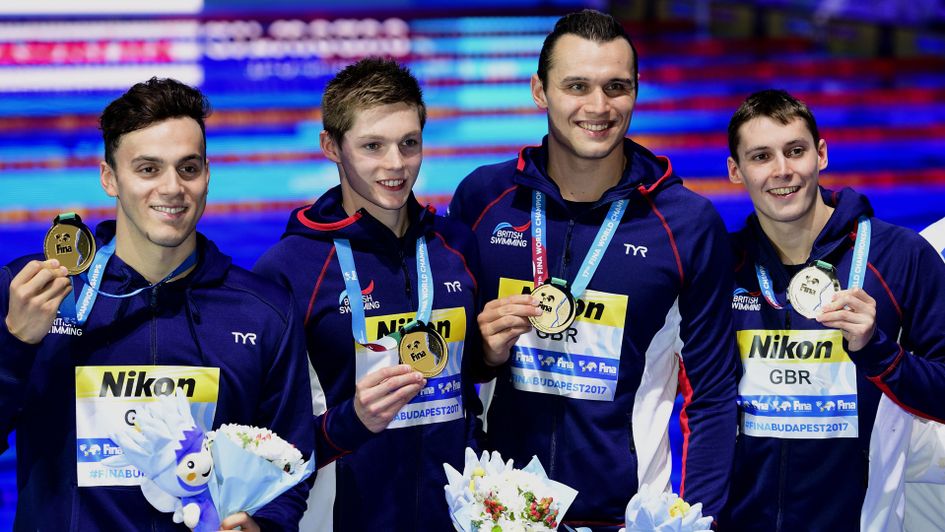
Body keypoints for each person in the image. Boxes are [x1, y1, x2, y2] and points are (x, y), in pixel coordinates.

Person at [448, 9, 737, 529]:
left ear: (636, 91)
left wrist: (696, 520)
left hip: (626, 516)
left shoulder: (686, 224)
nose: (598, 107)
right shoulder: (483, 200)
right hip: (492, 512)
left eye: (616, 87)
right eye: (577, 86)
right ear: (540, 90)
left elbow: (712, 395)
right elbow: (446, 366)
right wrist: (481, 356)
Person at [0, 77, 315, 531]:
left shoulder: (263, 311)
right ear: (109, 177)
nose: (172, 188)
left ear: (207, 174)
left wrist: (264, 525)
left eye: (187, 168)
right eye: (148, 169)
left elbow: (292, 458)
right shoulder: (33, 290)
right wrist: (15, 345)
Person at [254, 57, 482, 531]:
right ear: (331, 146)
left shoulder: (454, 246)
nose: (395, 164)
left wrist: (492, 355)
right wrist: (352, 419)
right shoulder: (291, 270)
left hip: (459, 515)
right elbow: (264, 440)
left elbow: (468, 381)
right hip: (346, 515)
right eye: (372, 146)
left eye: (409, 143)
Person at [722, 89, 945, 531]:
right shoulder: (722, 266)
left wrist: (878, 350)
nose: (782, 171)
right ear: (735, 170)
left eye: (796, 151)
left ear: (821, 154)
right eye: (761, 156)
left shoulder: (901, 257)